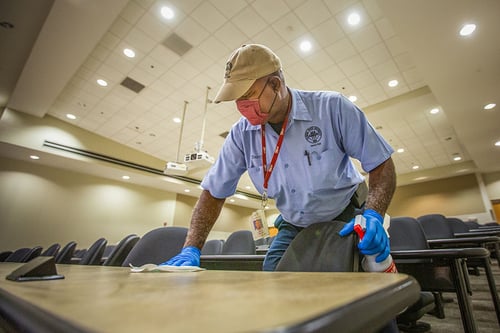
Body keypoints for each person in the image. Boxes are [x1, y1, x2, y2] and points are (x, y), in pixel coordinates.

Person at [163, 44, 396, 273]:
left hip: (342, 213)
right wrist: (191, 249)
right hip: (294, 223)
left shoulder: (331, 108)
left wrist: (374, 215)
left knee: (341, 275)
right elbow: (213, 193)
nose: (242, 107)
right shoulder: (241, 134)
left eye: (247, 96)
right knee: (274, 274)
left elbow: (381, 163)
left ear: (275, 84)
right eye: (237, 100)